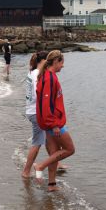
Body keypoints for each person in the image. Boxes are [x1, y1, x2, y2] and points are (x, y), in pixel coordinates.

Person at [22, 51, 67, 179]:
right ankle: (26, 171)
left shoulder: (31, 72)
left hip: (31, 110)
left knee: (48, 141)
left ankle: (56, 162)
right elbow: (40, 96)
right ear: (42, 61)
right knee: (37, 143)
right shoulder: (37, 74)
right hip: (37, 113)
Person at [35, 50, 75, 191]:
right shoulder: (49, 79)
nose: (63, 66)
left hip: (49, 123)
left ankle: (52, 184)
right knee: (70, 149)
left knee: (54, 153)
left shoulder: (47, 76)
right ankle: (40, 165)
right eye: (62, 62)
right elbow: (46, 105)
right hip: (53, 123)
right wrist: (54, 125)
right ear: (56, 61)